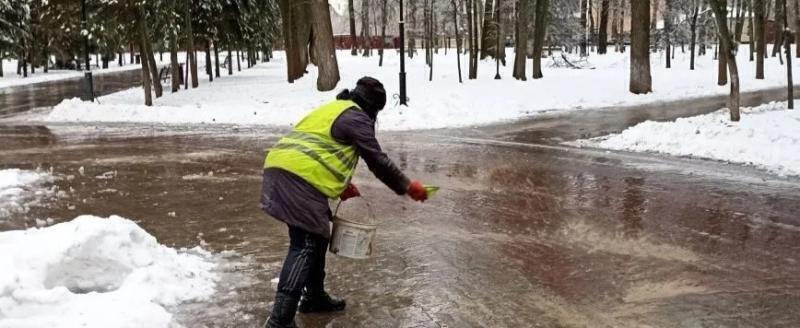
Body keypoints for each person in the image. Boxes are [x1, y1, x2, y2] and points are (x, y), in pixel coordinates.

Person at [261, 77, 429, 328]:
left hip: (283, 169)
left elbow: (320, 147)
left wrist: (340, 184)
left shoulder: (334, 109)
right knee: (305, 244)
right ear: (372, 108)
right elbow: (377, 160)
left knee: (317, 236)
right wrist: (407, 186)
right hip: (297, 177)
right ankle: (280, 321)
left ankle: (314, 297)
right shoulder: (357, 117)